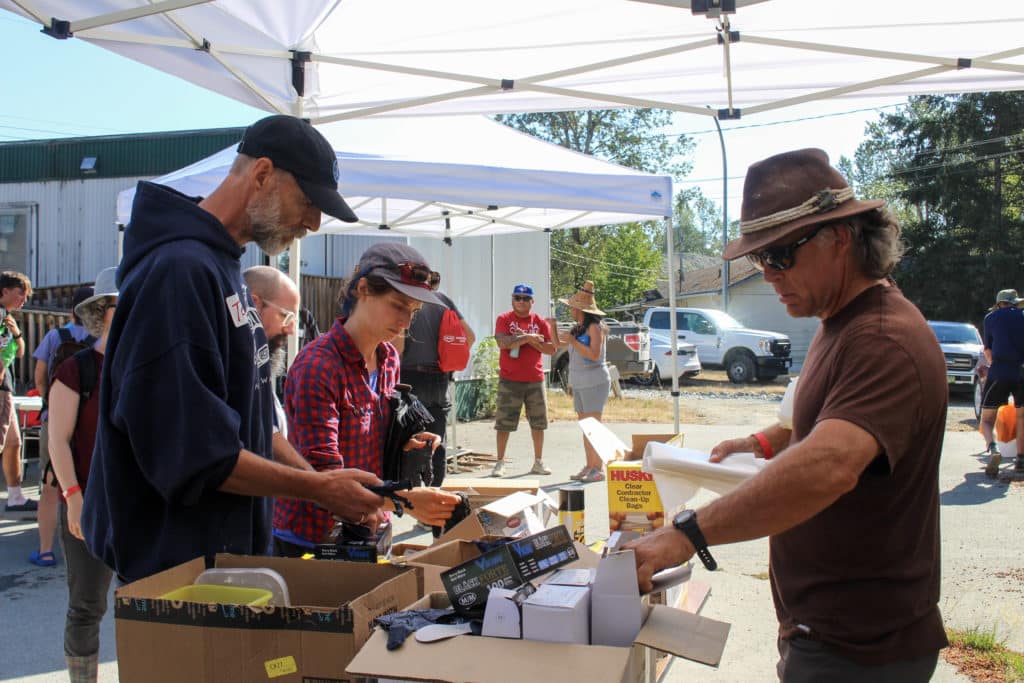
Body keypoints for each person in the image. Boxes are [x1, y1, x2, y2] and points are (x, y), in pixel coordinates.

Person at [626, 148, 949, 682]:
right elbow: (821, 421)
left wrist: (688, 533)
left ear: (839, 238)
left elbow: (830, 464)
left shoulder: (882, 339)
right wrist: (764, 442)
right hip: (827, 630)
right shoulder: (839, 321)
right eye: (759, 259)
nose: (769, 274)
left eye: (779, 255)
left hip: (862, 645)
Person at [83, 115, 387, 583]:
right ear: (262, 174)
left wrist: (327, 484)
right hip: (177, 573)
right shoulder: (179, 272)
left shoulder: (224, 267)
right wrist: (319, 489)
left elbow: (252, 425)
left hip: (223, 564)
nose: (313, 222)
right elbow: (198, 454)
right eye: (307, 201)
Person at [274, 243, 462, 556]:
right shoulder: (318, 367)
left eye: (413, 312)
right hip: (313, 539)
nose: (405, 321)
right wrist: (406, 501)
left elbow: (370, 438)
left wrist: (402, 445)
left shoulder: (388, 357)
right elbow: (324, 478)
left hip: (372, 527)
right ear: (363, 289)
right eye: (398, 305)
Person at [46, 269, 116, 683]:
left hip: (136, 508)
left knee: (145, 600)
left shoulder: (146, 369)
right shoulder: (77, 369)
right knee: (88, 606)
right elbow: (57, 440)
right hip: (88, 503)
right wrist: (74, 496)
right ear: (104, 312)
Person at [27, 285, 95, 567]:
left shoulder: (56, 336)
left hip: (55, 420)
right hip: (90, 424)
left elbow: (40, 375)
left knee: (51, 486)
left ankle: (46, 549)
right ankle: (89, 548)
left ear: (73, 311)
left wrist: (50, 402)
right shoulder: (101, 340)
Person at [396, 278, 476, 487]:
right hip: (439, 376)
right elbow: (470, 336)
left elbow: (398, 345)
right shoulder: (444, 302)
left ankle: (414, 493)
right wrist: (448, 358)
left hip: (410, 375)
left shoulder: (407, 301)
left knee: (410, 436)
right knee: (437, 438)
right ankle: (436, 490)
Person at [491, 283, 556, 478]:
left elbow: (551, 349)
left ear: (532, 301)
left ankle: (538, 462)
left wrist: (528, 340)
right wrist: (529, 338)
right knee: (503, 423)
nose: (521, 301)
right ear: (512, 299)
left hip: (535, 380)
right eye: (517, 297)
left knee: (538, 423)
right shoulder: (504, 319)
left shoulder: (540, 321)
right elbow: (502, 342)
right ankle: (500, 463)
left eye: (525, 298)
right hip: (509, 379)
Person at [553, 280, 610, 484]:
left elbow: (594, 355)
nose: (570, 309)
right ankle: (589, 466)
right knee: (586, 427)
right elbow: (557, 343)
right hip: (580, 382)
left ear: (581, 309)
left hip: (595, 382)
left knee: (594, 427)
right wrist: (550, 328)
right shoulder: (578, 328)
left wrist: (573, 341)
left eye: (572, 307)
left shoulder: (595, 327)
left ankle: (598, 468)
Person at [243, 265, 300, 447]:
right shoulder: (233, 372)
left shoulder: (258, 370)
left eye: (293, 320)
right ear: (253, 303)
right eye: (285, 315)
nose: (290, 329)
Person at [978, 288, 1024, 475]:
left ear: (999, 304)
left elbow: (988, 351)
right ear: (1015, 302)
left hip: (999, 371)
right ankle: (1020, 460)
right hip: (1021, 372)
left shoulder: (991, 318)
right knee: (1021, 417)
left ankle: (994, 449)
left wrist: (992, 365)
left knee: (987, 419)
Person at [0, 271, 32, 513]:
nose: (24, 299)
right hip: (1, 388)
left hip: (6, 386)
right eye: (20, 293)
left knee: (13, 442)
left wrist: (18, 333)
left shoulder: (7, 318)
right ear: (4, 291)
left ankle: (15, 496)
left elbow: (19, 352)